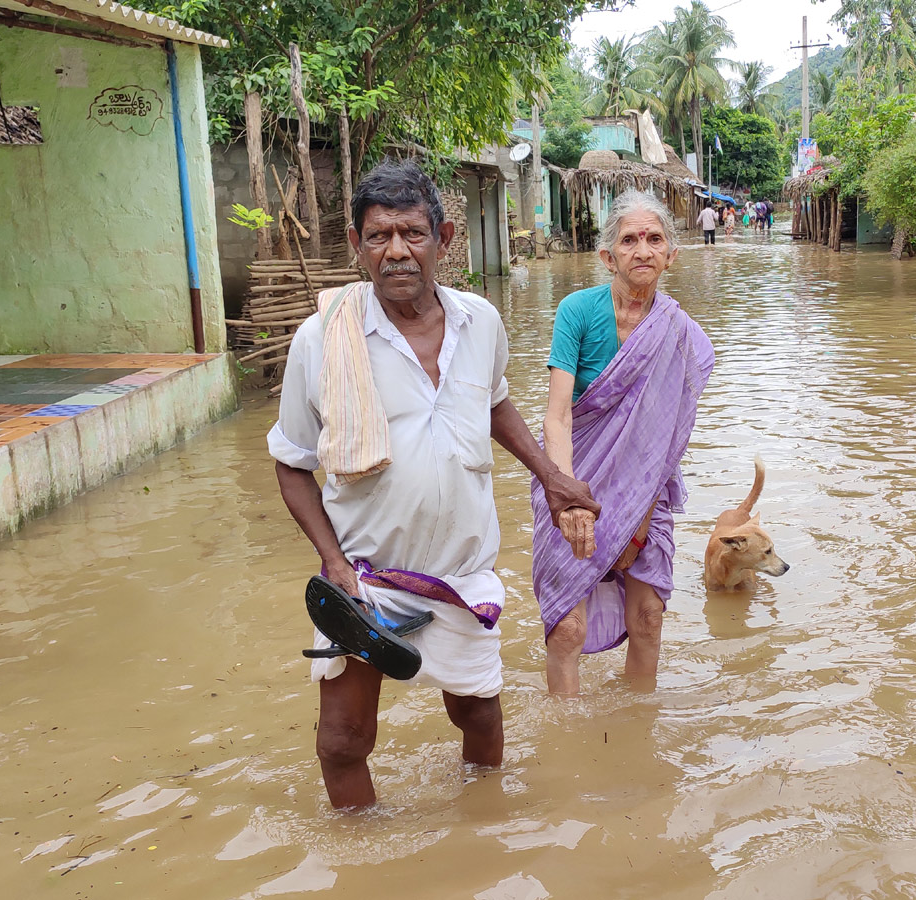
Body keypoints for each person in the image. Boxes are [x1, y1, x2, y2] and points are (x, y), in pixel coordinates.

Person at [269, 160, 598, 809]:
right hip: (361, 579)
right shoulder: (323, 338)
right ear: (358, 245)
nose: (396, 251)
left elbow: (495, 403)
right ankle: (364, 863)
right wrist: (332, 562)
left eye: (412, 234)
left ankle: (481, 832)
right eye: (378, 236)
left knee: (479, 720)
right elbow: (291, 461)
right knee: (341, 742)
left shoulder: (481, 323)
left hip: (461, 570)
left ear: (444, 240)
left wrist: (552, 477)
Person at [531, 190, 715, 695]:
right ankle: (566, 736)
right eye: (629, 240)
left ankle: (637, 728)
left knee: (650, 616)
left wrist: (643, 496)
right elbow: (558, 415)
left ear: (671, 255)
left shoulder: (681, 334)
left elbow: (666, 433)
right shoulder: (578, 312)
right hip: (573, 479)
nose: (643, 250)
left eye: (654, 239)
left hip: (645, 490)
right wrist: (567, 496)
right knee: (567, 625)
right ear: (608, 256)